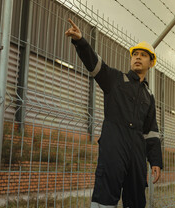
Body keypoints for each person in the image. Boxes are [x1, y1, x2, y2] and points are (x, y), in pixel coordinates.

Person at [65, 18, 162, 208]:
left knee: (135, 200)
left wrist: (155, 161)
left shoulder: (149, 96)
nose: (137, 57)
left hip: (136, 155)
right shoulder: (116, 80)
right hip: (113, 148)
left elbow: (152, 131)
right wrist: (81, 41)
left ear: (151, 63)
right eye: (135, 54)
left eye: (143, 55)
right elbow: (94, 64)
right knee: (105, 197)